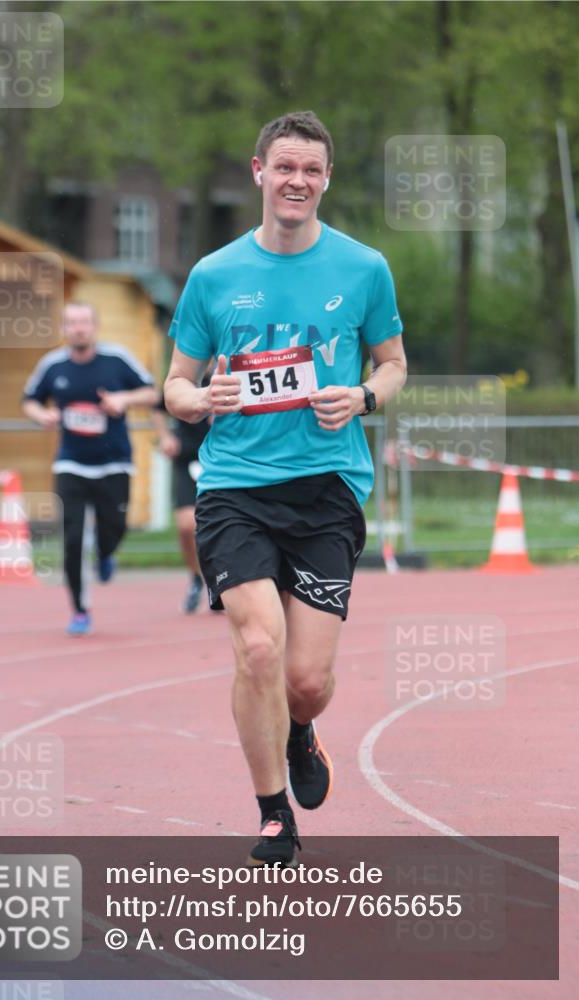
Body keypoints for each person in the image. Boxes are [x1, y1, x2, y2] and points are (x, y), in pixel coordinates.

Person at [164, 111, 407, 866]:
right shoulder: (213, 274)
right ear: (258, 172)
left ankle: (299, 728)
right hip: (235, 485)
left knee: (305, 680)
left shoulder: (363, 268)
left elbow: (394, 364)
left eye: (311, 170)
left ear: (325, 179)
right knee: (259, 650)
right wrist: (200, 399)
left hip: (327, 488)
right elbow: (173, 383)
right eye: (284, 167)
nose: (296, 180)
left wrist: (363, 398)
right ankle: (273, 814)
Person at [22, 302, 159, 635]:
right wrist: (42, 415)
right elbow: (29, 399)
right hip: (71, 462)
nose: (78, 328)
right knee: (72, 537)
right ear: (64, 329)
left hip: (114, 462)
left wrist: (123, 401)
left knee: (115, 526)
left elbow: (153, 392)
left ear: (94, 327)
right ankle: (80, 609)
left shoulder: (116, 359)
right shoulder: (53, 365)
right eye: (72, 323)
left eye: (84, 322)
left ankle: (105, 551)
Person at [153, 378, 211, 613]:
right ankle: (197, 577)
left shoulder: (232, 365)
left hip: (223, 458)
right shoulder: (186, 373)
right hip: (187, 458)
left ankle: (222, 579)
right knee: (187, 525)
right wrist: (166, 437)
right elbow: (157, 407)